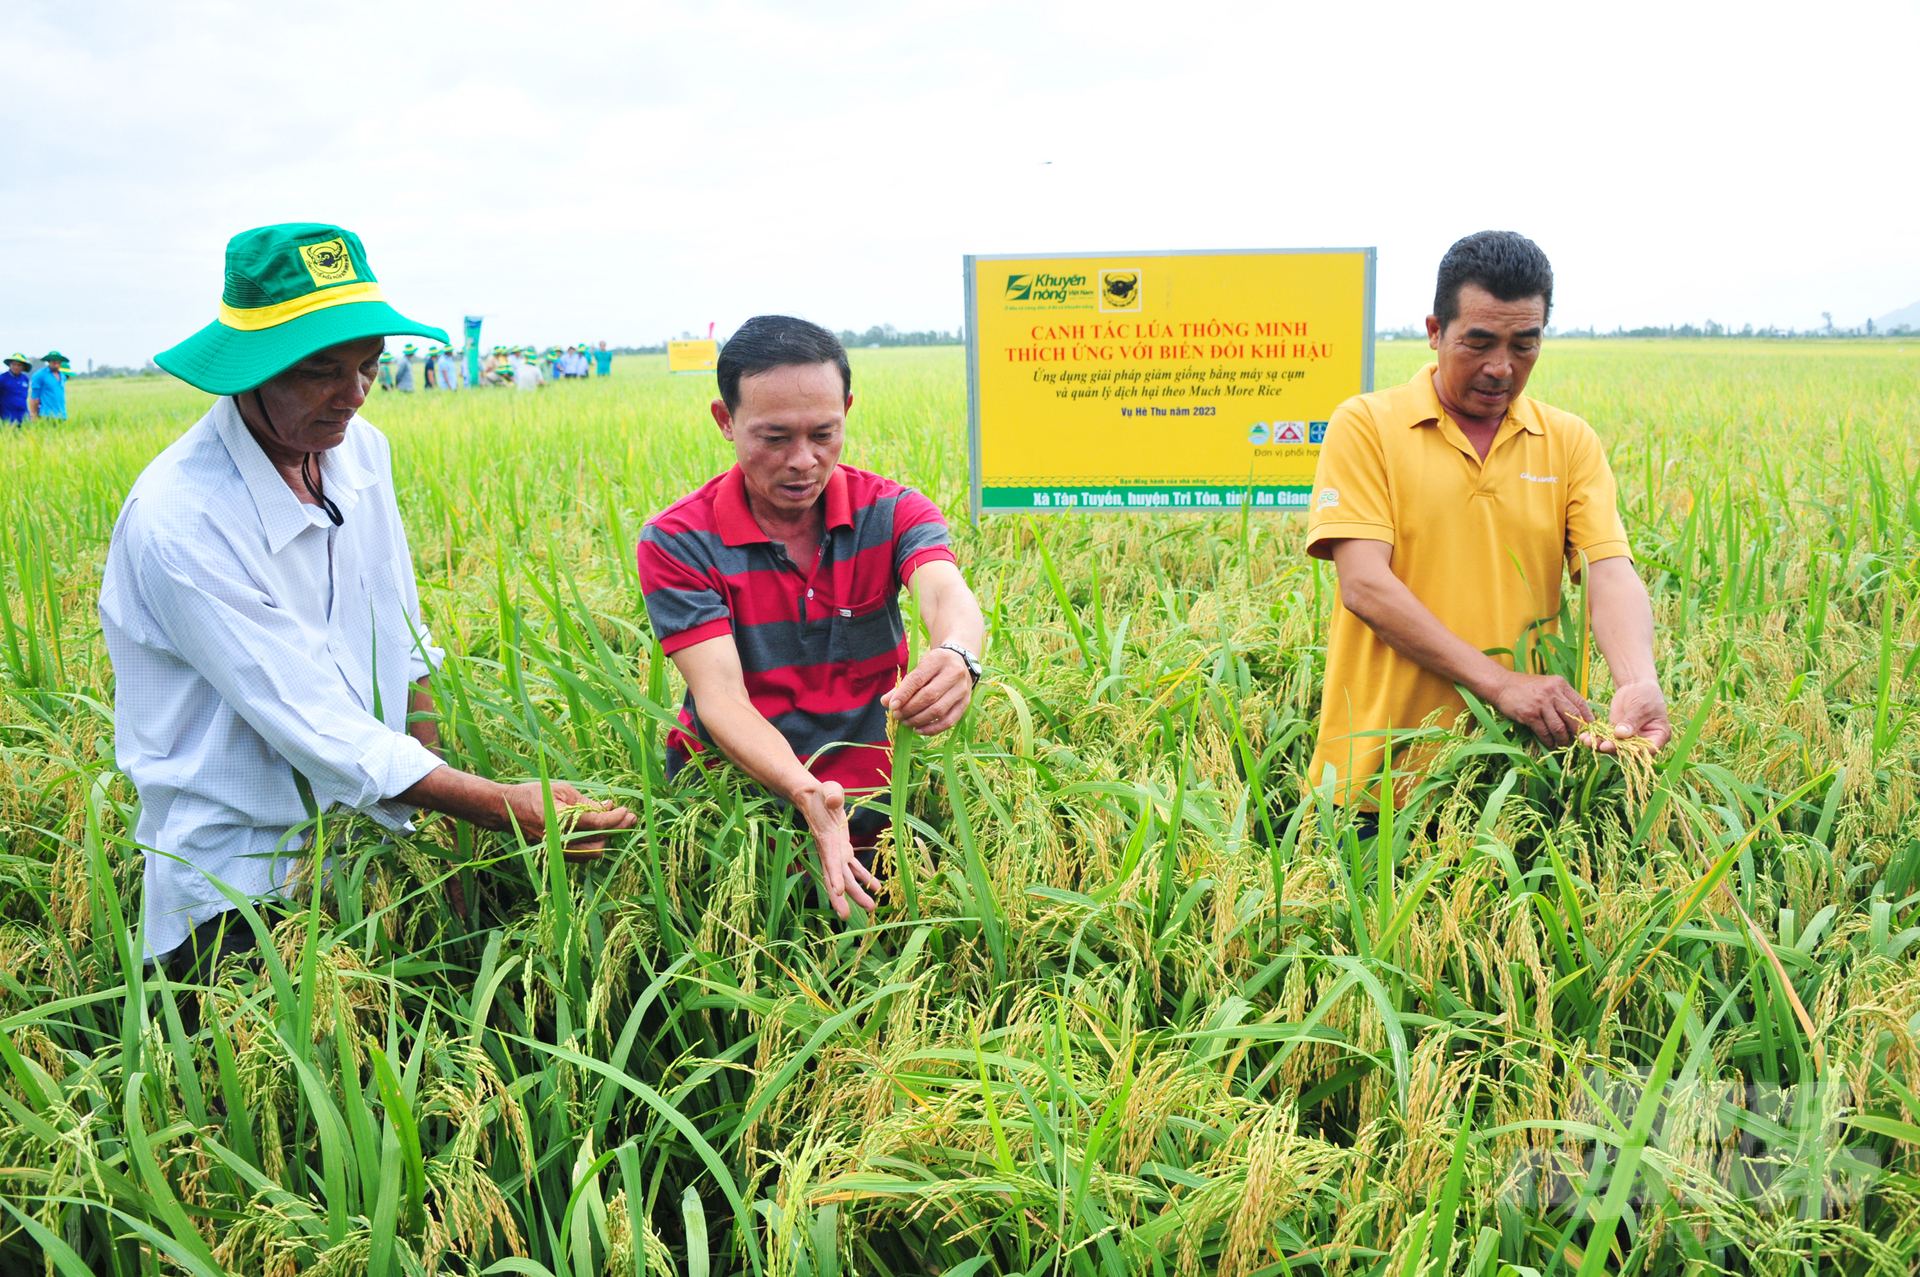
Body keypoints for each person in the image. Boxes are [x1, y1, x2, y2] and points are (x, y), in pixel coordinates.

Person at [100, 222, 635, 990]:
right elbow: (308, 715)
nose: (352, 393)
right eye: (322, 370)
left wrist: (439, 823)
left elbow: (402, 637)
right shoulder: (181, 518)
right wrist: (489, 805)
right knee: (263, 1093)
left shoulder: (360, 449)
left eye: (369, 366)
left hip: (367, 853)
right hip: (235, 883)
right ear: (250, 371)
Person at [1305, 230, 1670, 815]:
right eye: (1479, 342)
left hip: (1520, 783)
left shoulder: (1568, 442)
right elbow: (1365, 586)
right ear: (1434, 332)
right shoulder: (1366, 426)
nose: (1502, 368)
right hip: (1376, 784)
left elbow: (1609, 572)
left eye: (1525, 345)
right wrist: (1502, 686)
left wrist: (1635, 680)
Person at [637, 316, 986, 919]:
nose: (803, 461)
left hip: (877, 794)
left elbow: (943, 592)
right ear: (725, 421)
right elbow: (719, 698)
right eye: (774, 438)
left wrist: (957, 652)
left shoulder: (892, 511)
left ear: (847, 409)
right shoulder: (679, 540)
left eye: (824, 433)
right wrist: (804, 792)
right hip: (731, 811)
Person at [28, 351, 68, 420]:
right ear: (49, 362)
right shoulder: (40, 375)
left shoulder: (62, 376)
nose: (56, 366)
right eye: (54, 363)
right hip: (47, 415)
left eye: (58, 363)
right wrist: (34, 414)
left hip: (62, 414)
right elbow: (34, 396)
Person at [1, 354, 30, 426]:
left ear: (23, 367)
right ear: (10, 364)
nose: (16, 367)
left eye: (19, 365)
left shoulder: (25, 379)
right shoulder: (3, 378)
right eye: (14, 364)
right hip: (8, 416)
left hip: (23, 415)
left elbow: (24, 395)